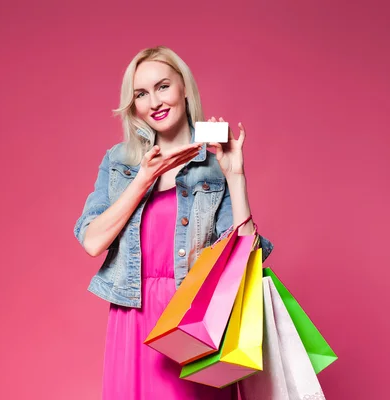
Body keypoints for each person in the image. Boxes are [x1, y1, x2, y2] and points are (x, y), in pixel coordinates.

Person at [73, 45, 273, 400]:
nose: (155, 102)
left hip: (192, 322)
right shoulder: (119, 162)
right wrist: (143, 179)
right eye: (141, 94)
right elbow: (92, 242)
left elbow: (245, 261)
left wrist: (235, 175)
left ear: (183, 88)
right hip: (132, 318)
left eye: (163, 86)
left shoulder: (215, 164)